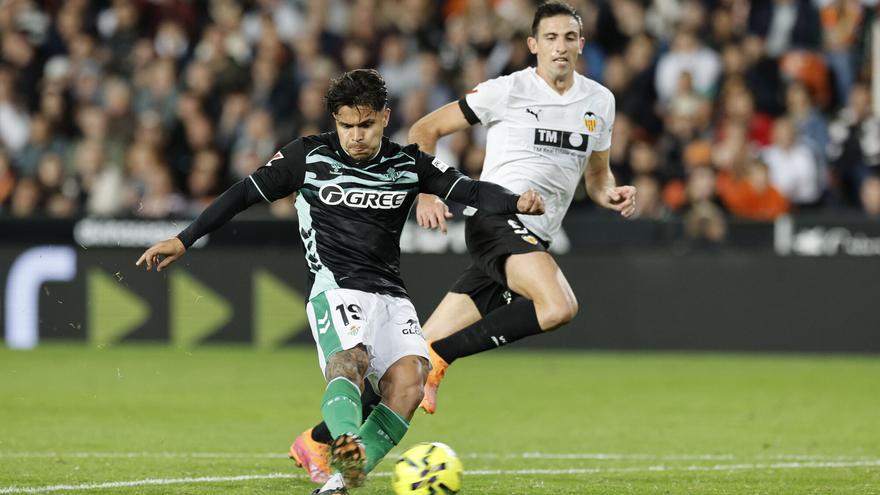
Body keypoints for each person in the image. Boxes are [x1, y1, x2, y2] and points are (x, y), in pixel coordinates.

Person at [135, 69, 544, 495]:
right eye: (346, 125)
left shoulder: (409, 163)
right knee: (350, 362)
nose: (356, 136)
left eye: (366, 125)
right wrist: (185, 238)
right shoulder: (307, 156)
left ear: (385, 117)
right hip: (336, 287)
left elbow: (470, 191)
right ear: (334, 120)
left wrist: (517, 202)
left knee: (410, 381)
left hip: (391, 294)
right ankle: (346, 440)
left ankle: (338, 483)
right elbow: (243, 193)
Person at [292, 1, 636, 484]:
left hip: (533, 237)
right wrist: (429, 193)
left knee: (403, 367)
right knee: (558, 306)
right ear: (534, 45)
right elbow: (423, 131)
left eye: (570, 38)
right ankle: (443, 357)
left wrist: (612, 194)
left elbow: (597, 179)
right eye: (551, 38)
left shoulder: (599, 101)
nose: (561, 47)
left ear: (582, 44)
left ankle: (315, 441)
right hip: (497, 224)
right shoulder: (507, 90)